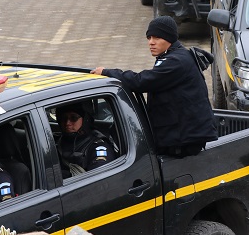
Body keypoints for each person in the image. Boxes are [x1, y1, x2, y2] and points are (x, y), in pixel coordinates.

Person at [91, 16, 217, 158]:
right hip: (179, 138)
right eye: (149, 37)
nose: (151, 42)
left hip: (183, 143)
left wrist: (107, 72)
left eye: (157, 38)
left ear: (169, 38)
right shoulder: (171, 56)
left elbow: (141, 82)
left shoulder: (177, 61)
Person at [56, 104, 116, 177]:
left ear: (85, 119)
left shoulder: (98, 146)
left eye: (73, 118)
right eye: (63, 118)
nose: (67, 123)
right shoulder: (56, 141)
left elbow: (99, 180)